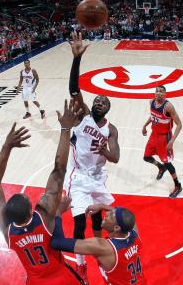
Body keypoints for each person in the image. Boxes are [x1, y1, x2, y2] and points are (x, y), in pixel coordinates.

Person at [0, 99, 84, 285]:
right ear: (32, 211)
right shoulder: (44, 218)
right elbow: (59, 171)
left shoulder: (7, 230)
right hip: (60, 277)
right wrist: (65, 130)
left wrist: (5, 148)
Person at [65, 31, 120, 282]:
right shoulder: (83, 116)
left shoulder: (111, 129)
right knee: (78, 224)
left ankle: (98, 258)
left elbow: (116, 157)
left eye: (103, 101)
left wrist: (105, 151)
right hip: (78, 176)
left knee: (98, 222)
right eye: (96, 99)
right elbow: (74, 89)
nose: (99, 102)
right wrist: (76, 59)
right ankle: (80, 265)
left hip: (97, 177)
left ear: (108, 108)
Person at [51, 197, 148, 285]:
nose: (106, 213)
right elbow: (128, 215)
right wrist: (102, 206)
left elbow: (57, 242)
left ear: (117, 227)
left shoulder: (103, 247)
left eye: (111, 215)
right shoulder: (134, 233)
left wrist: (58, 212)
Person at [142, 85, 183, 198]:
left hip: (164, 138)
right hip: (153, 135)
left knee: (167, 163)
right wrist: (145, 125)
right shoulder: (151, 102)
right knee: (146, 157)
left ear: (165, 94)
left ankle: (178, 185)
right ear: (154, 93)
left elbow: (179, 124)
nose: (159, 93)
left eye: (161, 92)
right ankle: (160, 167)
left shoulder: (168, 107)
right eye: (157, 91)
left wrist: (172, 141)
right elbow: (153, 116)